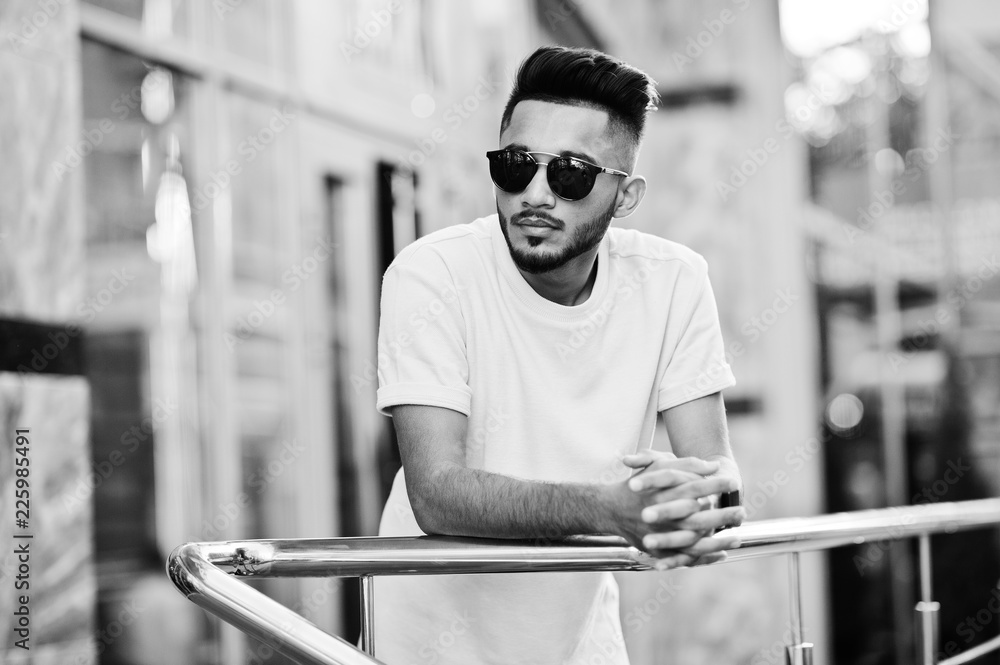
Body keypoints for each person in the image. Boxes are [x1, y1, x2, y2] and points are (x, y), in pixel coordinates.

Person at [373, 45, 745, 665]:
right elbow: (435, 494)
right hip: (429, 649)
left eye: (571, 174)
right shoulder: (432, 275)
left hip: (580, 642)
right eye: (516, 166)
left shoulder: (673, 282)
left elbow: (715, 472)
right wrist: (610, 509)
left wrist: (699, 498)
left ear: (625, 196)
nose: (536, 194)